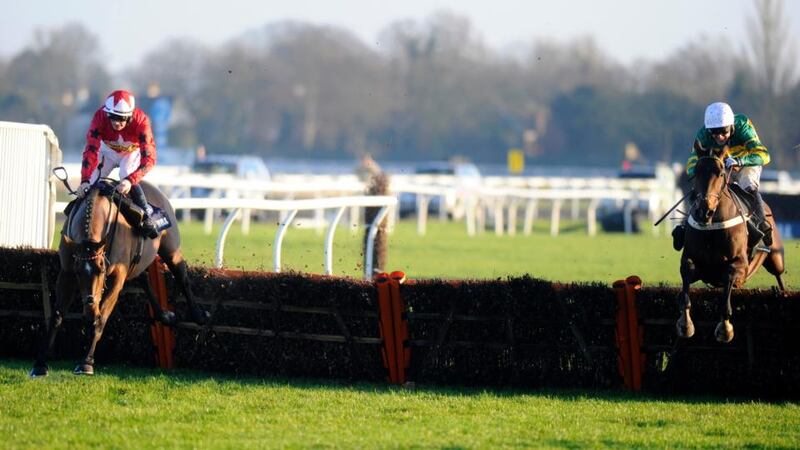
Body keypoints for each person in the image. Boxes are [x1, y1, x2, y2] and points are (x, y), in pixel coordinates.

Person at [672, 101, 772, 251]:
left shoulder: (743, 125)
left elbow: (764, 155)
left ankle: (762, 225)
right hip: (721, 165)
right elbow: (692, 162)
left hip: (746, 162)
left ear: (731, 126)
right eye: (714, 132)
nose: (719, 136)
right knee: (703, 190)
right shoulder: (703, 134)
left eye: (723, 131)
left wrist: (740, 160)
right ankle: (686, 226)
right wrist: (699, 171)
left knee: (748, 185)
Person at [77, 89, 159, 238]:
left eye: (121, 118)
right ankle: (74, 220)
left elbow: (149, 159)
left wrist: (130, 180)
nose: (116, 122)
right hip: (106, 151)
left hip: (131, 152)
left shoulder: (141, 121)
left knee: (125, 173)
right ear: (106, 113)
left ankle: (146, 216)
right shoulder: (99, 117)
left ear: (130, 116)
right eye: (113, 117)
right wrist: (84, 180)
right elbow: (90, 149)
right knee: (91, 183)